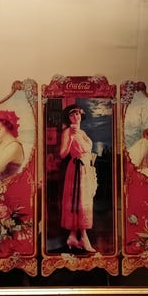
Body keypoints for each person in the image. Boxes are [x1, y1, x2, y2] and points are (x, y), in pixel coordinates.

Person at [59, 104, 97, 253]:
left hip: (86, 169)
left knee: (84, 201)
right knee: (79, 202)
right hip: (76, 169)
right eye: (72, 114)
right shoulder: (68, 132)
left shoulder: (82, 132)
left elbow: (88, 150)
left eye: (78, 113)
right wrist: (70, 140)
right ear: (68, 118)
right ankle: (84, 237)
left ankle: (73, 236)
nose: (76, 116)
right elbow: (62, 154)